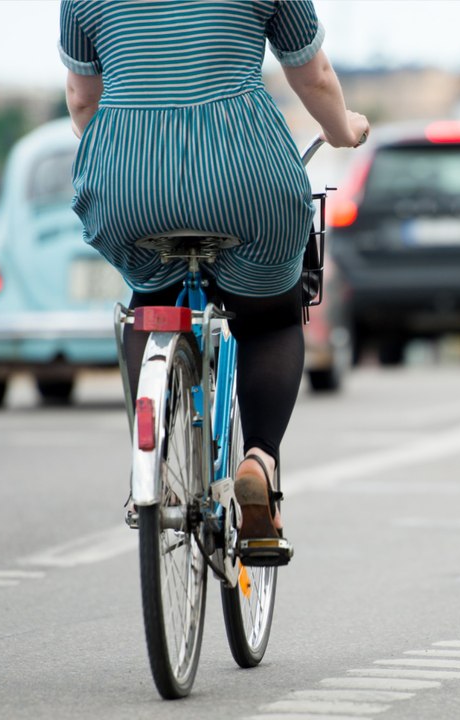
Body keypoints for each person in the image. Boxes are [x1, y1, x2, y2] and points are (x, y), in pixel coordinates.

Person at [60, 0, 369, 565]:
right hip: (246, 175)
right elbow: (314, 75)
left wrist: (129, 158)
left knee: (151, 297)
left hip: (128, 184)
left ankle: (152, 464)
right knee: (270, 318)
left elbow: (83, 99)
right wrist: (342, 130)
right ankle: (259, 462)